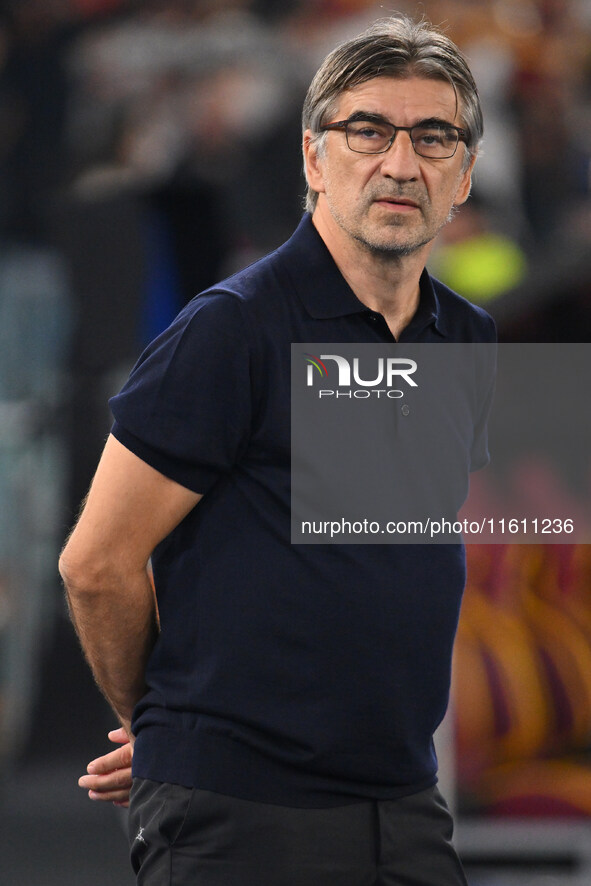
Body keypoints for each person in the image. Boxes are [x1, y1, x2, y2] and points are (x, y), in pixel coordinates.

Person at [60, 13, 495, 886]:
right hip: (239, 817)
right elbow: (97, 565)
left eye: (433, 137)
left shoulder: (464, 337)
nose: (400, 164)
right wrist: (162, 728)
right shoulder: (234, 328)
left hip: (405, 809)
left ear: (464, 175)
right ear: (312, 157)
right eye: (367, 131)